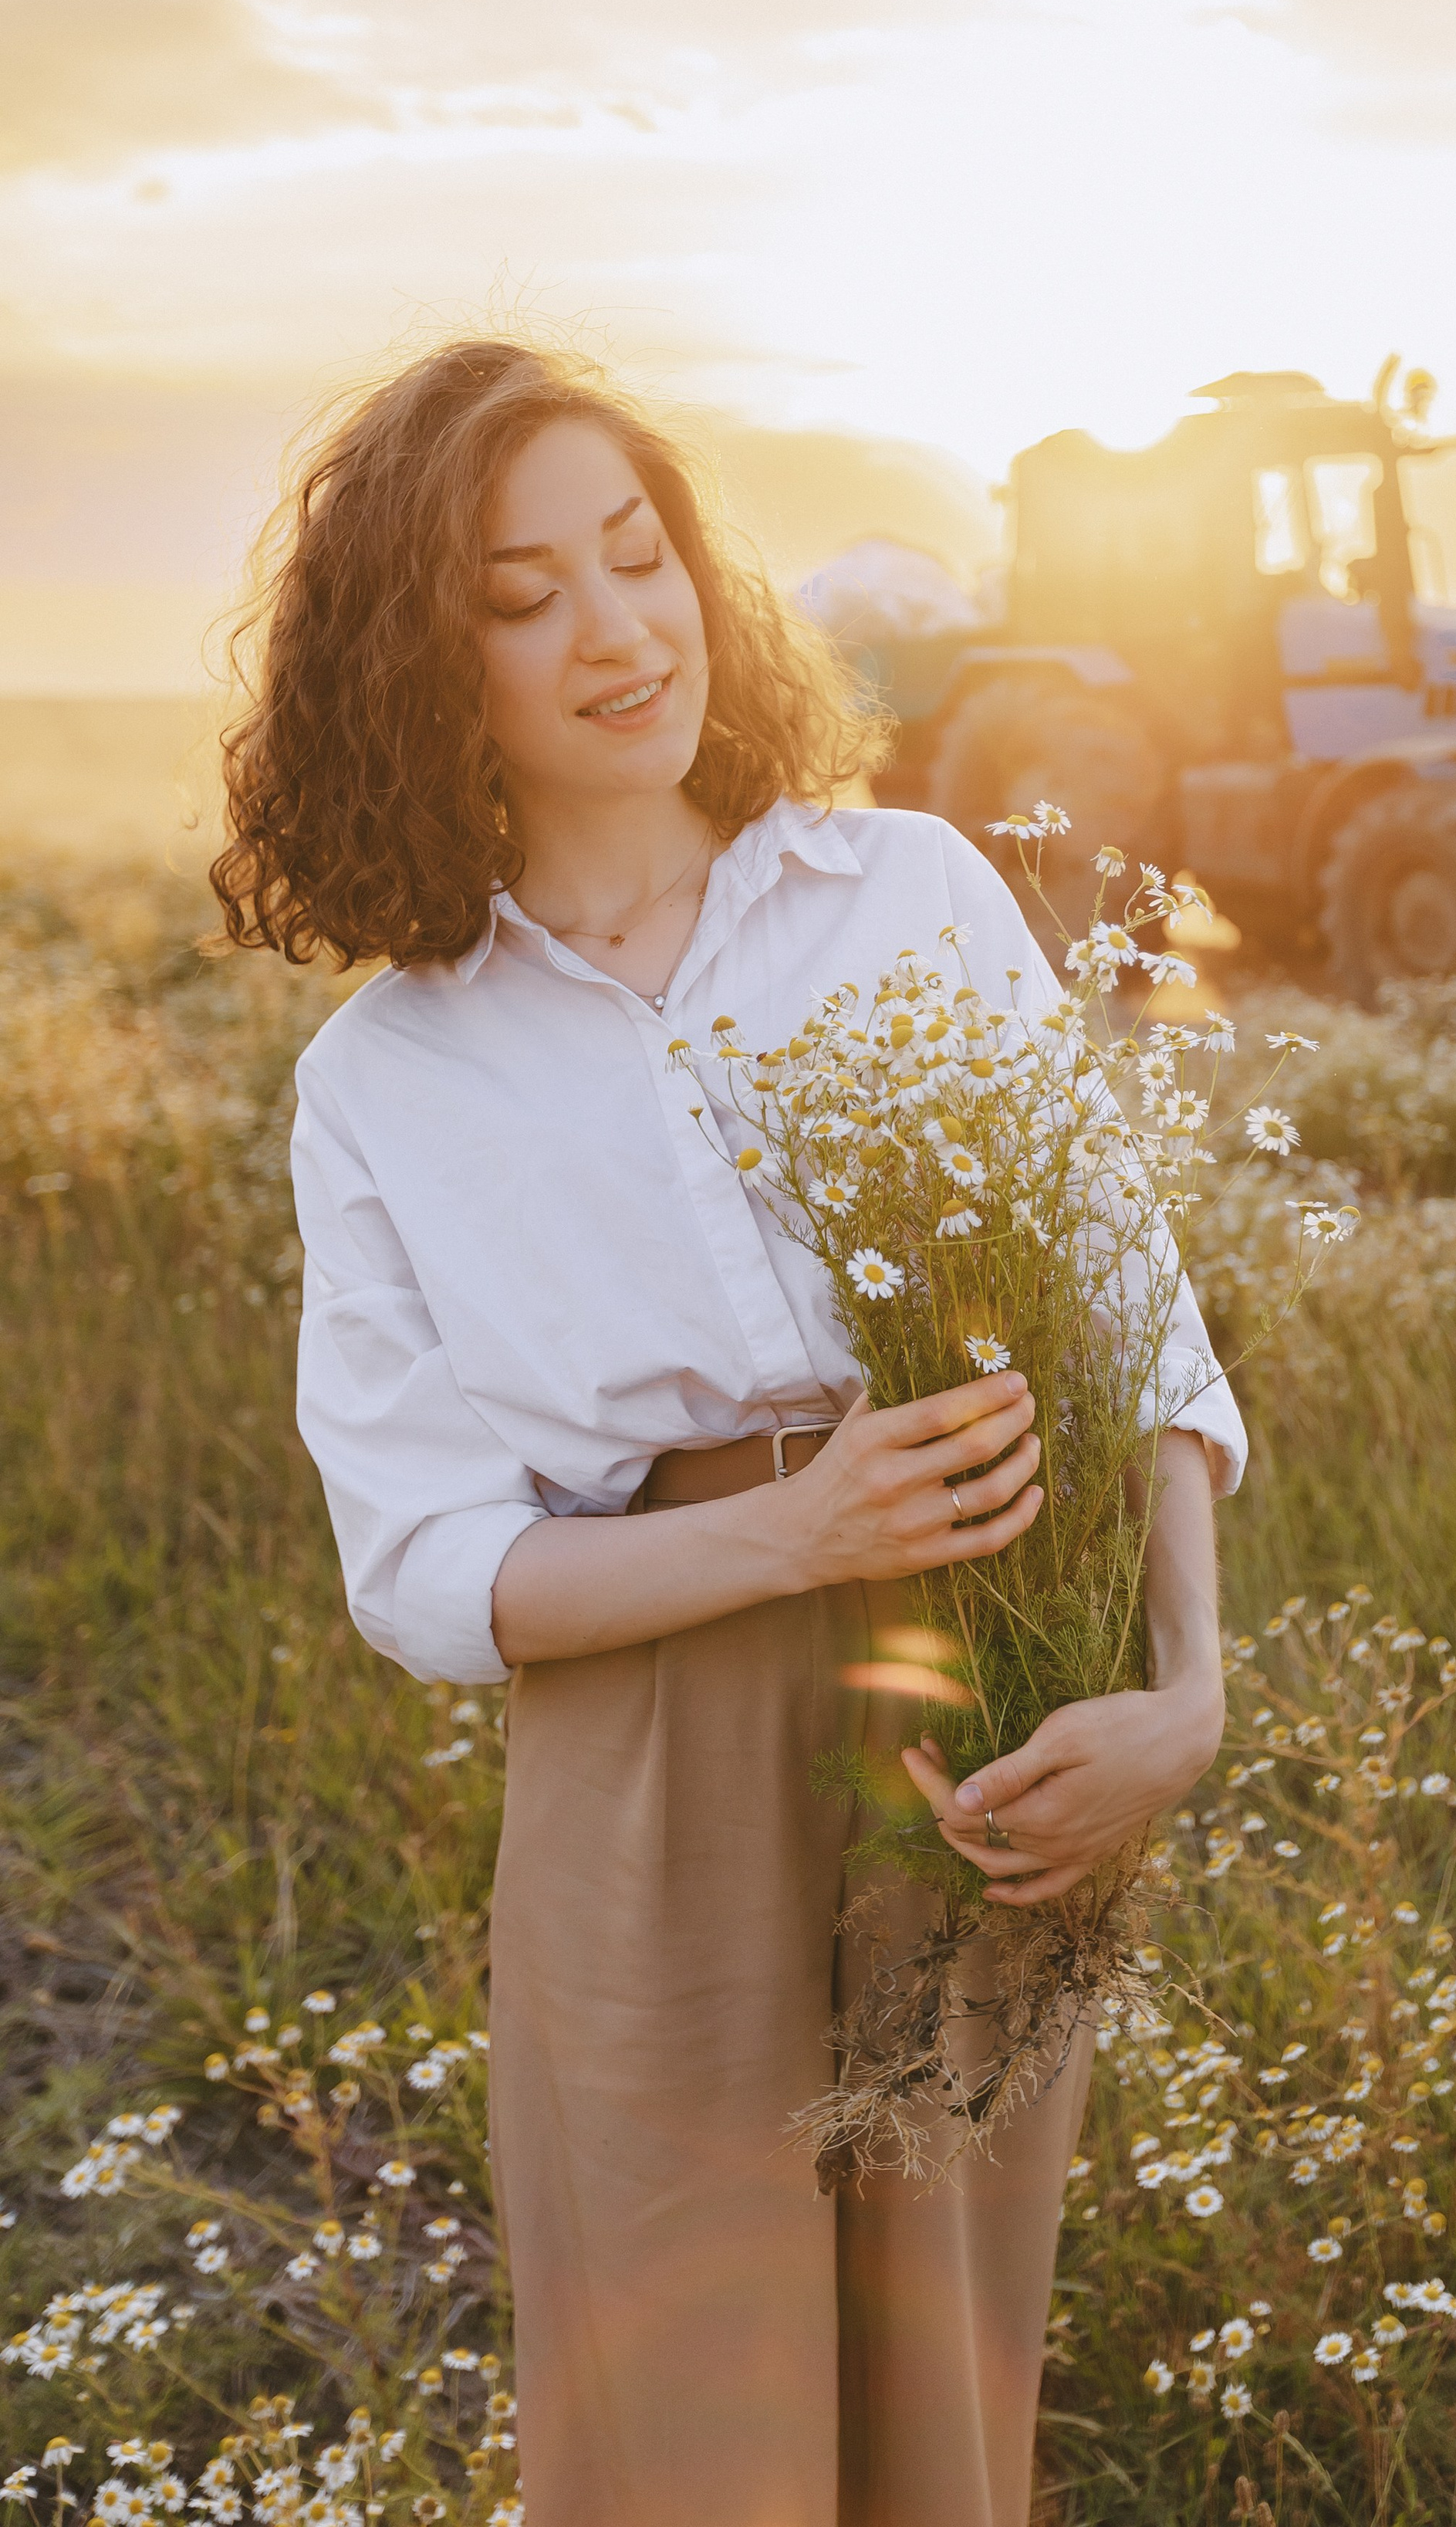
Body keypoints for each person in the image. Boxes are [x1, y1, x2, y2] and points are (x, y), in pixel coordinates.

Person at [211, 337, 1247, 2527]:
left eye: (638, 550)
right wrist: (792, 1538)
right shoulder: (388, 1079)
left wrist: (1186, 1691)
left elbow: (1134, 1319)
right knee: (689, 2435)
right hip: (645, 1763)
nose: (618, 627)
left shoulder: (915, 895)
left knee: (940, 2419)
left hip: (979, 1717)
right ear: (420, 662)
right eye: (523, 592)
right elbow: (430, 1570)